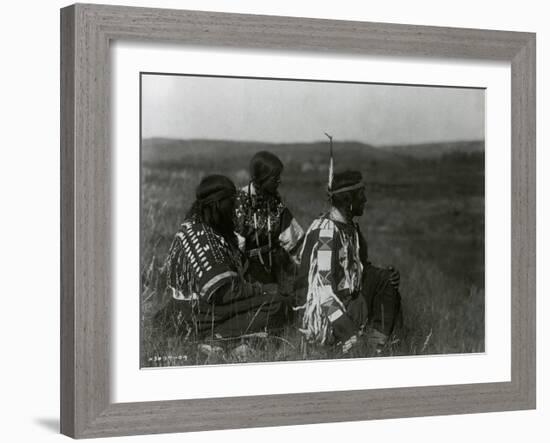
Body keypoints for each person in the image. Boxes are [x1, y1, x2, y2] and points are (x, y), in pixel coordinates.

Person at [156, 174, 289, 339]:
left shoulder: (206, 227)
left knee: (276, 298)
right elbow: (224, 293)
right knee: (276, 305)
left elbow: (242, 267)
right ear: (217, 204)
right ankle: (216, 337)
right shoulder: (201, 236)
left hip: (200, 307)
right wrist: (262, 290)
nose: (234, 209)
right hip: (198, 313)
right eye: (231, 203)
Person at [297, 170, 402, 352]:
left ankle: (378, 346)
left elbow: (357, 268)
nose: (365, 200)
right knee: (351, 338)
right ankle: (355, 345)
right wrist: (349, 334)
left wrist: (384, 275)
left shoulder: (349, 227)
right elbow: (323, 295)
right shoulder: (326, 234)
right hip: (325, 316)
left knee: (386, 281)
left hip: (347, 298)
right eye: (361, 195)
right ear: (348, 201)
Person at [234, 151, 304, 286]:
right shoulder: (239, 203)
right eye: (275, 178)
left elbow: (294, 239)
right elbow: (236, 247)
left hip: (273, 269)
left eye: (279, 177)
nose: (279, 181)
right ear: (261, 178)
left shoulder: (274, 203)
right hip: (247, 272)